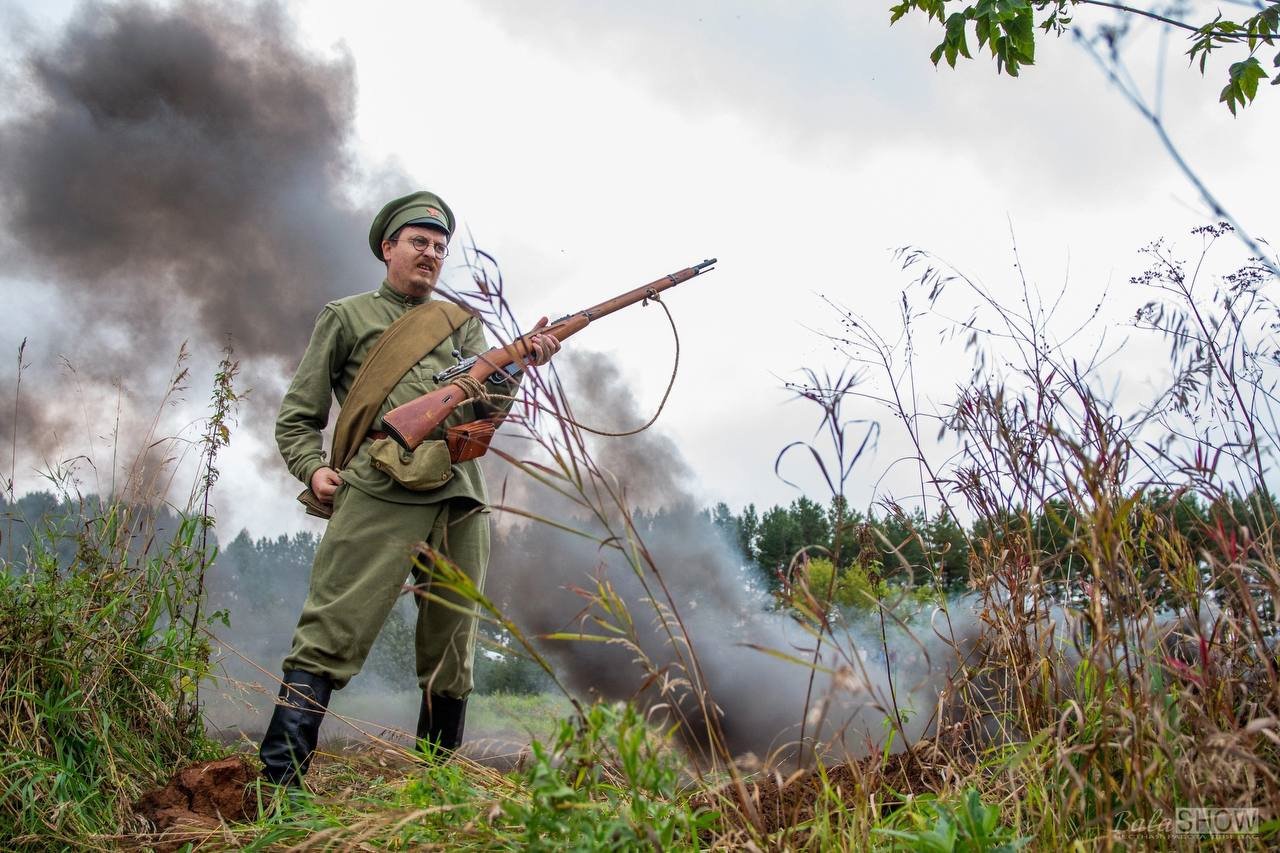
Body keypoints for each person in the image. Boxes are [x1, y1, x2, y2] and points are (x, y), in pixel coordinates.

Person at [258, 190, 560, 786]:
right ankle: (279, 787)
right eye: (418, 242)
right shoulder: (346, 317)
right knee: (330, 632)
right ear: (387, 247)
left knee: (454, 648)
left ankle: (433, 791)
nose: (430, 254)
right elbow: (298, 417)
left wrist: (517, 367)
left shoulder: (462, 323)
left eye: (440, 247)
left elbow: (487, 414)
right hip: (377, 485)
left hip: (458, 491)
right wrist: (312, 468)